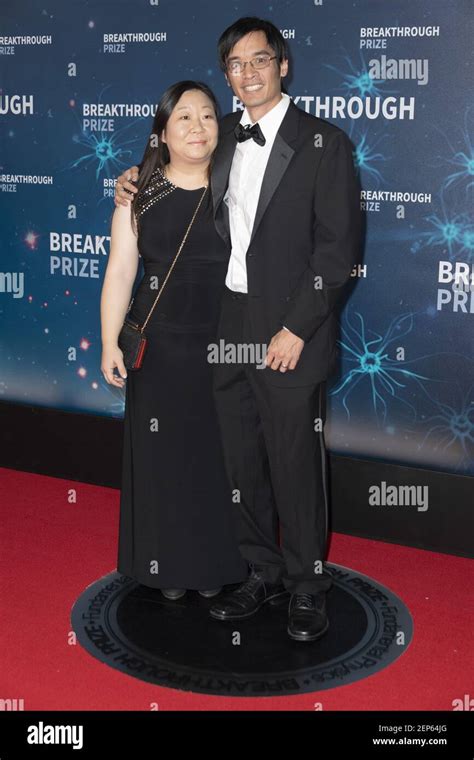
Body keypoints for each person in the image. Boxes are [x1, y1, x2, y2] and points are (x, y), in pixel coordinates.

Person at [114, 17, 361, 642]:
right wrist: (132, 181)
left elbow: (336, 254)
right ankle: (261, 571)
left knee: (294, 459)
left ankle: (308, 585)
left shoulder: (325, 144)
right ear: (226, 74)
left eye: (259, 60)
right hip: (227, 323)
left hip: (289, 330)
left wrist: (297, 327)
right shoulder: (218, 134)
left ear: (283, 65)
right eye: (235, 65)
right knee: (242, 458)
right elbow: (167, 161)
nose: (246, 73)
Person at [101, 81, 247, 601]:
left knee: (217, 458)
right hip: (159, 346)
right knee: (164, 459)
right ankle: (165, 568)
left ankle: (216, 565)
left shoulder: (238, 186)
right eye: (183, 117)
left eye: (207, 115)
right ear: (161, 132)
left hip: (223, 346)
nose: (197, 126)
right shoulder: (141, 192)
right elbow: (120, 272)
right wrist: (108, 343)